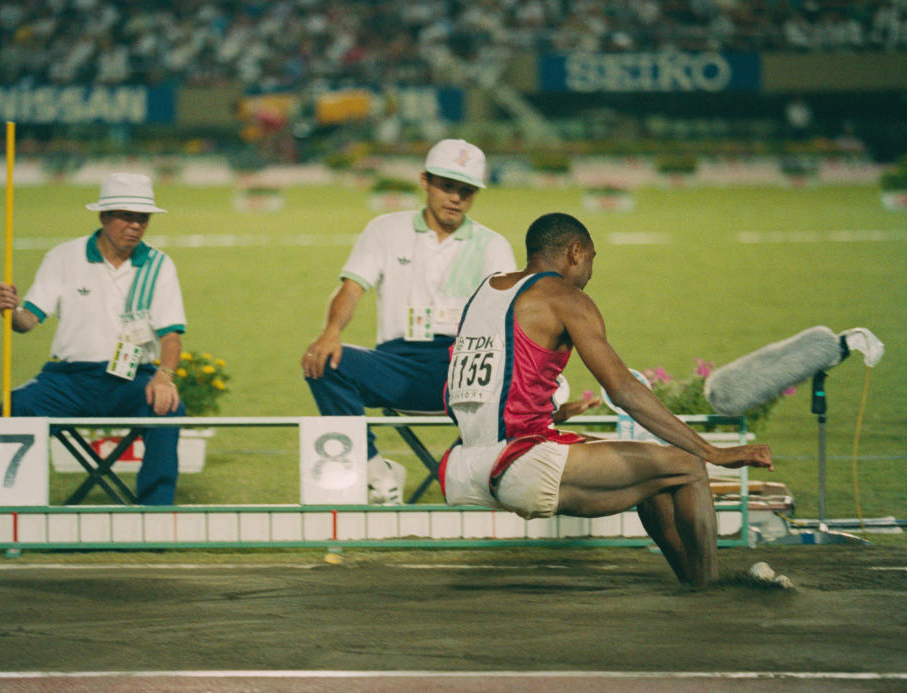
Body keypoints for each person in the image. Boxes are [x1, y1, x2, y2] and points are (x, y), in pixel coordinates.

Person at [441, 212, 773, 587]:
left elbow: (466, 391)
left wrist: (553, 413)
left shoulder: (484, 292)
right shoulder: (566, 298)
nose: (590, 272)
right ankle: (713, 590)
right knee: (689, 464)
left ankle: (696, 583)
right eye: (593, 259)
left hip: (464, 469)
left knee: (656, 476)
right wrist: (714, 452)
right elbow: (624, 391)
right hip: (522, 465)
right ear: (575, 251)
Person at [301, 139, 517, 504]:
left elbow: (508, 319)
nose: (456, 198)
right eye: (447, 186)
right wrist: (329, 334)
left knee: (528, 375)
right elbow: (352, 288)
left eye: (466, 191)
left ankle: (492, 482)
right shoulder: (385, 229)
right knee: (324, 362)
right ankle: (378, 475)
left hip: (464, 369)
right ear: (425, 181)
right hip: (396, 365)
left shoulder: (493, 245)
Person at [0, 172, 186, 505]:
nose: (136, 225)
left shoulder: (159, 264)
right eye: (127, 217)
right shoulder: (63, 257)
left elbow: (171, 335)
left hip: (131, 380)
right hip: (68, 381)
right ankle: (15, 512)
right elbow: (28, 321)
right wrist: (10, 312)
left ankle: (155, 513)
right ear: (104, 217)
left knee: (168, 408)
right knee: (14, 407)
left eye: (143, 218)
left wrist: (164, 376)